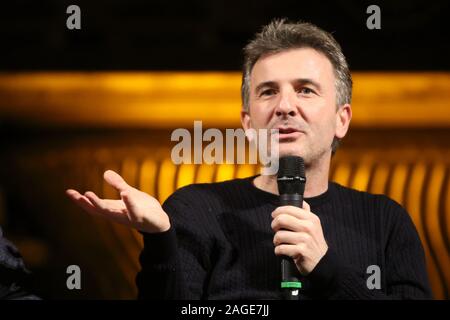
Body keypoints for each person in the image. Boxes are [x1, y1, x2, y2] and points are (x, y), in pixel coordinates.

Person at [66, 19, 432, 299]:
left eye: (305, 90)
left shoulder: (385, 221)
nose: (285, 107)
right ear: (247, 122)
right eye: (268, 92)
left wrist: (326, 267)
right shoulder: (195, 210)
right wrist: (161, 239)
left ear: (342, 119)